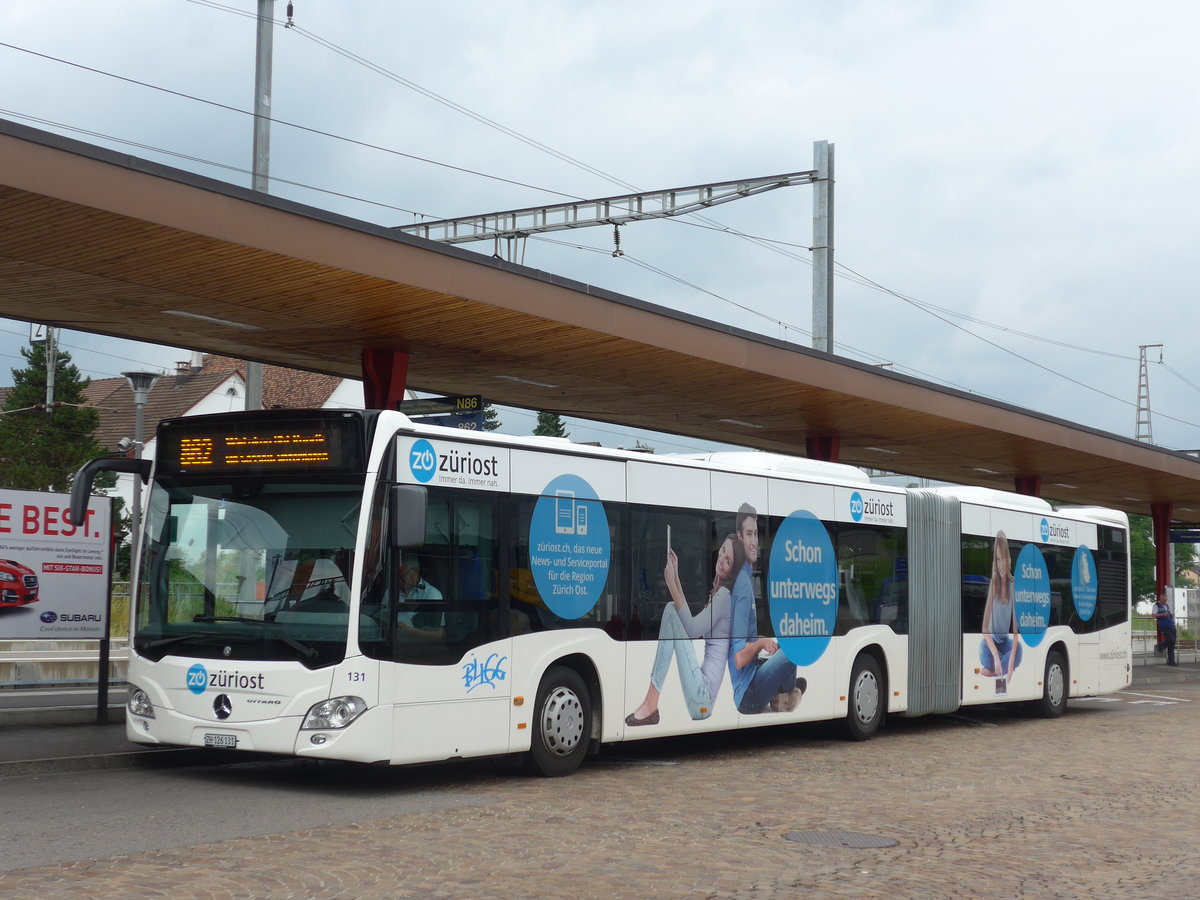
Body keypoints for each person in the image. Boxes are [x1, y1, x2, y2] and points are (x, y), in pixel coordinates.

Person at [625, 533, 743, 725]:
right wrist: (676, 576)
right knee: (673, 610)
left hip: (702, 699)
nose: (722, 559)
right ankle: (650, 702)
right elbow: (689, 620)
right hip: (701, 695)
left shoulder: (724, 596)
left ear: (733, 571)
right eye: (722, 551)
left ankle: (651, 703)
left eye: (728, 560)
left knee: (672, 610)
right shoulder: (719, 592)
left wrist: (671, 583)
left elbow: (693, 629)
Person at [727, 503, 805, 715]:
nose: (754, 542)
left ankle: (782, 692)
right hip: (749, 695)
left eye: (756, 534)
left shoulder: (743, 577)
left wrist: (763, 641)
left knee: (781, 645)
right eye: (749, 534)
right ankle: (785, 695)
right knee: (795, 646)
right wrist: (761, 642)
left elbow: (741, 640)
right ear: (740, 537)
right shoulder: (742, 585)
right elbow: (739, 658)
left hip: (751, 682)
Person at [979, 530, 1022, 679]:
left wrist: (1010, 661)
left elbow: (1015, 633)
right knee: (983, 651)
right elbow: (985, 629)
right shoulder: (993, 582)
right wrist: (997, 657)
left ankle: (994, 672)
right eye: (997, 559)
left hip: (1005, 643)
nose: (1001, 564)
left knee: (1019, 649)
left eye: (1003, 558)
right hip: (990, 645)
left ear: (1008, 559)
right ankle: (999, 668)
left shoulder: (1013, 584)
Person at [397, 554, 445, 640]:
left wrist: (409, 630)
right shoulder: (391, 591)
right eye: (396, 577)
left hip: (419, 645)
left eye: (402, 577)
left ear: (414, 572)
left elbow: (438, 635)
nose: (398, 581)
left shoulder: (432, 594)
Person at [1152, 588, 1179, 666]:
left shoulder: (1167, 605)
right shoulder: (1156, 605)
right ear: (1161, 598)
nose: (1165, 601)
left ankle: (1172, 661)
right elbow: (1154, 615)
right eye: (1164, 600)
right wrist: (1163, 614)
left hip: (1171, 624)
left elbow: (1169, 613)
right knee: (1170, 639)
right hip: (1164, 625)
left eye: (1166, 600)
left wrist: (1170, 616)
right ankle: (1160, 646)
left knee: (1172, 643)